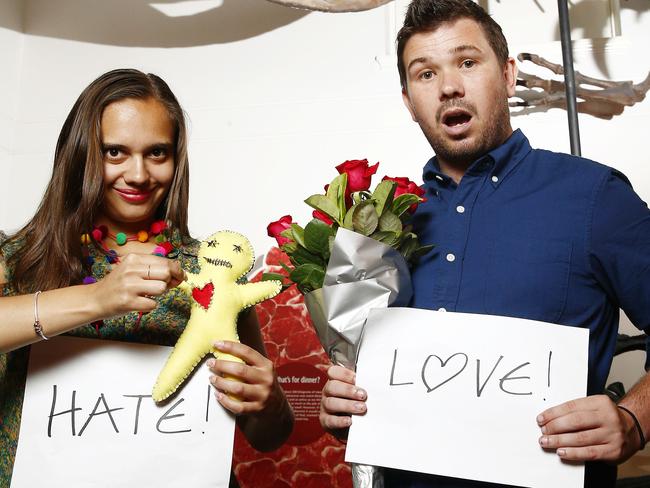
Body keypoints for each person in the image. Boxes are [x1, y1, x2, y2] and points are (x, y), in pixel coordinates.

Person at [319, 1, 650, 487]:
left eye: (467, 62)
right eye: (425, 73)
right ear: (409, 101)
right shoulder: (384, 226)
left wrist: (634, 419)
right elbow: (365, 371)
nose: (448, 86)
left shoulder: (595, 196)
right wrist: (345, 401)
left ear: (509, 75)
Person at [0, 69, 293, 486]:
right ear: (81, 154)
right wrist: (99, 299)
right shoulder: (19, 258)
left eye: (157, 153)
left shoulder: (211, 270)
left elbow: (267, 436)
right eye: (114, 152)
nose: (138, 174)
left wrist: (270, 402)